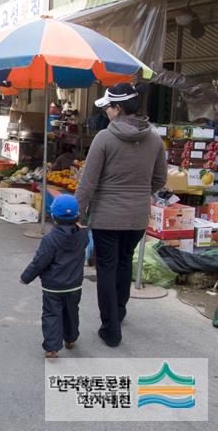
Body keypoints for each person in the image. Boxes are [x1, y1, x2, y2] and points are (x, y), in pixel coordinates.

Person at [75, 83, 167, 347]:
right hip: (137, 217)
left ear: (117, 109)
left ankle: (110, 328)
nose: (106, 112)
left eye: (108, 107)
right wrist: (139, 193)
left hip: (107, 217)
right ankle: (120, 311)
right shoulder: (154, 139)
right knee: (124, 263)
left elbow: (88, 182)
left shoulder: (104, 138)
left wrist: (76, 213)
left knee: (106, 268)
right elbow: (160, 179)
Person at [20, 195, 88, 358]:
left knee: (52, 314)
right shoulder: (83, 235)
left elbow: (40, 262)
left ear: (53, 216)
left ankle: (51, 348)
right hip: (74, 284)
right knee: (72, 311)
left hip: (53, 286)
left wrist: (26, 277)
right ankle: (71, 339)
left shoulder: (50, 239)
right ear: (77, 216)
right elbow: (83, 241)